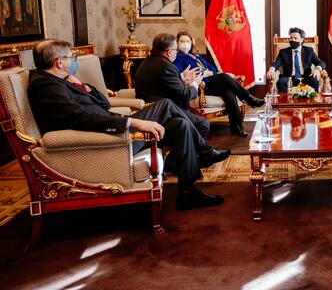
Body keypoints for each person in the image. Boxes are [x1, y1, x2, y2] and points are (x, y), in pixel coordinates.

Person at [27, 39, 231, 211]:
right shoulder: (46, 86)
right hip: (107, 141)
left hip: (111, 132)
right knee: (166, 105)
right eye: (71, 57)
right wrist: (133, 122)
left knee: (180, 125)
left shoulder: (60, 81)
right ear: (59, 62)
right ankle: (205, 151)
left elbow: (104, 104)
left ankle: (187, 192)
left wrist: (80, 85)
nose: (73, 61)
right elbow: (81, 119)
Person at [173, 31, 265, 137]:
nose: (185, 44)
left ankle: (236, 128)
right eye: (182, 41)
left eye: (187, 41)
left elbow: (213, 69)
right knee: (224, 77)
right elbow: (182, 75)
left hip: (210, 82)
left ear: (191, 43)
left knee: (228, 92)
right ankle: (248, 98)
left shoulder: (197, 56)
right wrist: (203, 73)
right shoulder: (177, 58)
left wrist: (209, 72)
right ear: (177, 43)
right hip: (200, 86)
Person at [135, 33, 210, 138]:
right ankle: (191, 148)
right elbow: (185, 96)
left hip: (150, 109)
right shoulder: (166, 66)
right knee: (203, 124)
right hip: (162, 112)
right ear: (169, 52)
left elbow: (162, 84)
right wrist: (194, 83)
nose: (177, 52)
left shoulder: (148, 61)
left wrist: (181, 78)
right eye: (176, 49)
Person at [266, 27, 326, 92]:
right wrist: (271, 69)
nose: (293, 40)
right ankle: (286, 98)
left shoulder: (309, 51)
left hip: (306, 77)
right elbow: (276, 63)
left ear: (301, 39)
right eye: (291, 38)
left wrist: (317, 69)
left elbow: (321, 63)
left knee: (314, 80)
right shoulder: (283, 52)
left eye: (295, 38)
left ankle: (314, 98)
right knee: (281, 82)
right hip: (290, 78)